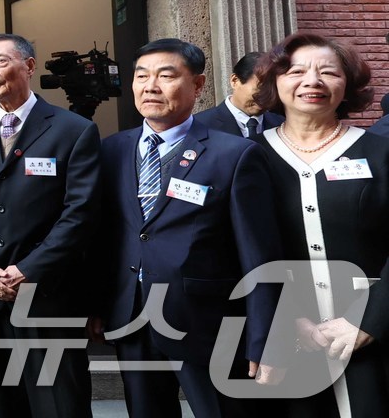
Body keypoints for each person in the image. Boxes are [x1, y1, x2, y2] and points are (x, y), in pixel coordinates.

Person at [89, 38, 282, 418]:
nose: (150, 86)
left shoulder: (235, 154)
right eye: (141, 76)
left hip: (207, 322)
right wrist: (98, 305)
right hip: (133, 319)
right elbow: (106, 237)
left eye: (166, 76)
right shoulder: (111, 150)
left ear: (198, 84)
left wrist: (263, 339)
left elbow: (259, 254)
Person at [0, 33, 99, 418]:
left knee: (59, 403)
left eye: (1, 61)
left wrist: (29, 269)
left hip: (47, 295)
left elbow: (79, 213)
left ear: (29, 66)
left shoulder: (72, 129)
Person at [255, 33, 386, 417]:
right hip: (292, 335)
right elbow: (240, 249)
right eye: (296, 71)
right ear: (274, 83)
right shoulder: (249, 158)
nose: (312, 81)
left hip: (374, 329)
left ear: (347, 86)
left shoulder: (380, 152)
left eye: (328, 72)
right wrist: (287, 319)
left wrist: (369, 320)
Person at [194, 51, 285, 138]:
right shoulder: (200, 125)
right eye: (260, 89)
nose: (266, 97)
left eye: (272, 90)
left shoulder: (282, 126)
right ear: (235, 81)